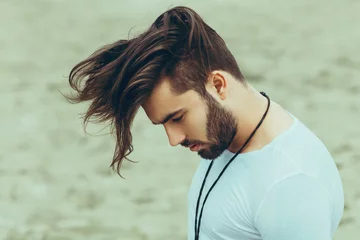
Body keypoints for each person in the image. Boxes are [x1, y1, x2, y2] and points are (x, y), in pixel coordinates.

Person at [65, 6, 344, 240]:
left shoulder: (290, 184)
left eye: (177, 118)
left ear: (218, 85)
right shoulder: (226, 138)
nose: (173, 139)